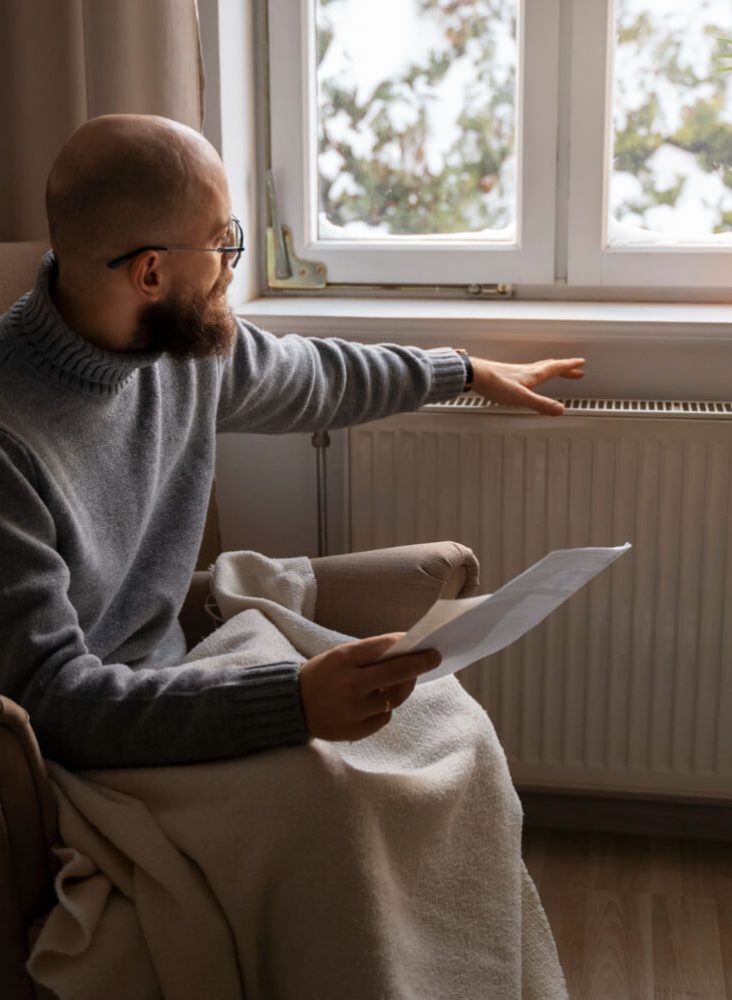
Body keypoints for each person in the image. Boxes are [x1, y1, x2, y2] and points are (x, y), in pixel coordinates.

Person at [0, 113, 585, 771]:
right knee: (364, 791)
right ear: (152, 275)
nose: (232, 262)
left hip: (175, 679)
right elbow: (50, 701)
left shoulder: (176, 348)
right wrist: (292, 704)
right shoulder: (10, 445)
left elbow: (315, 375)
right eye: (222, 242)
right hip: (94, 751)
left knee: (452, 738)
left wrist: (465, 370)